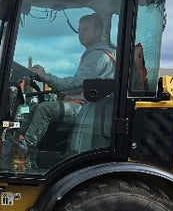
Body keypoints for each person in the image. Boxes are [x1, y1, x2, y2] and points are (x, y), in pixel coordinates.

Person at [21, 13, 116, 150]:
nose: (80, 34)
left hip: (88, 108)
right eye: (79, 30)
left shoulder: (98, 56)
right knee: (35, 108)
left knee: (44, 109)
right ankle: (19, 139)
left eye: (85, 29)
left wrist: (46, 77)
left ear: (98, 31)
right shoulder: (95, 54)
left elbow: (76, 85)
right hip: (88, 106)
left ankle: (25, 149)